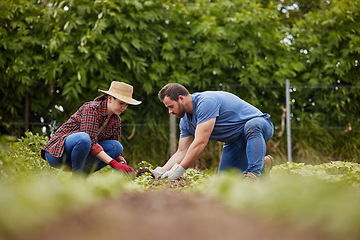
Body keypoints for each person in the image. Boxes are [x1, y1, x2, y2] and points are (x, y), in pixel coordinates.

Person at [152, 83, 274, 180]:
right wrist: (162, 170)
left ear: (181, 98)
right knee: (224, 180)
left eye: (171, 106)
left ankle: (254, 173)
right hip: (235, 141)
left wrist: (180, 170)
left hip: (260, 126)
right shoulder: (185, 121)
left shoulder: (205, 102)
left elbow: (200, 143)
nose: (170, 111)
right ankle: (263, 165)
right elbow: (182, 151)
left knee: (251, 126)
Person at [41, 81, 141, 175]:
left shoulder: (116, 120)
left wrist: (122, 164)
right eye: (121, 103)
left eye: (126, 104)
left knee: (117, 147)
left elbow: (113, 145)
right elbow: (90, 142)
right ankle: (77, 177)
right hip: (58, 154)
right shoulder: (92, 108)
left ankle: (83, 177)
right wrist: (114, 164)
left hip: (80, 157)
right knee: (84, 138)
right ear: (110, 98)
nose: (123, 107)